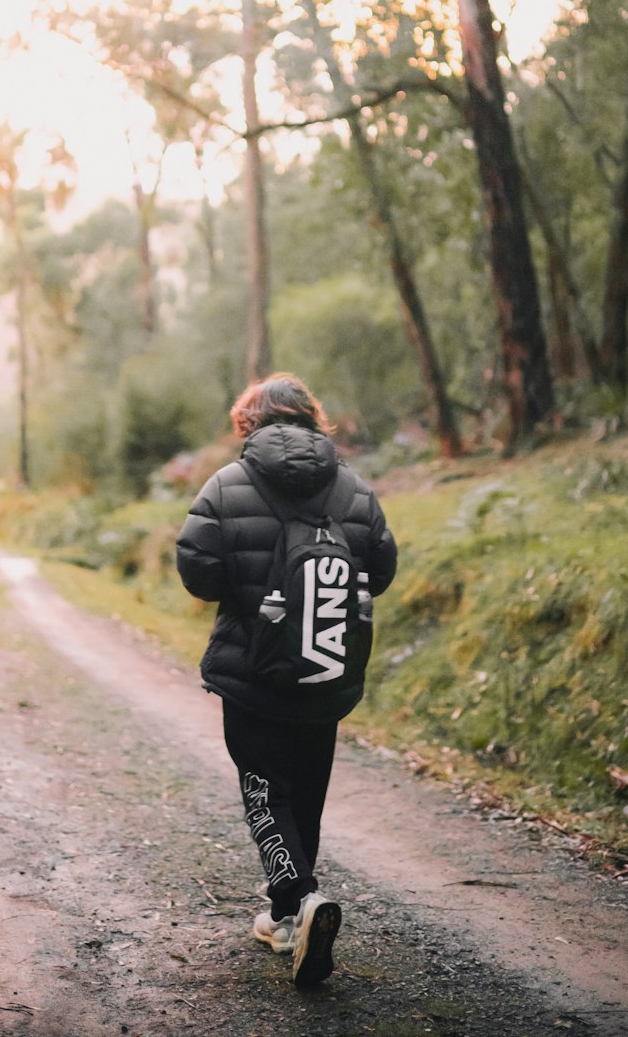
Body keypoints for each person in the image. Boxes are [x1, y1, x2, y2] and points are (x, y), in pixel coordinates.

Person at [176, 373, 397, 988]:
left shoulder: (228, 484)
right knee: (305, 792)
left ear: (248, 423)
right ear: (312, 419)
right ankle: (285, 917)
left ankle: (303, 899)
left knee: (263, 792)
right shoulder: (353, 488)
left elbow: (198, 570)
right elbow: (380, 569)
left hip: (253, 672)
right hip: (326, 668)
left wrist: (251, 598)